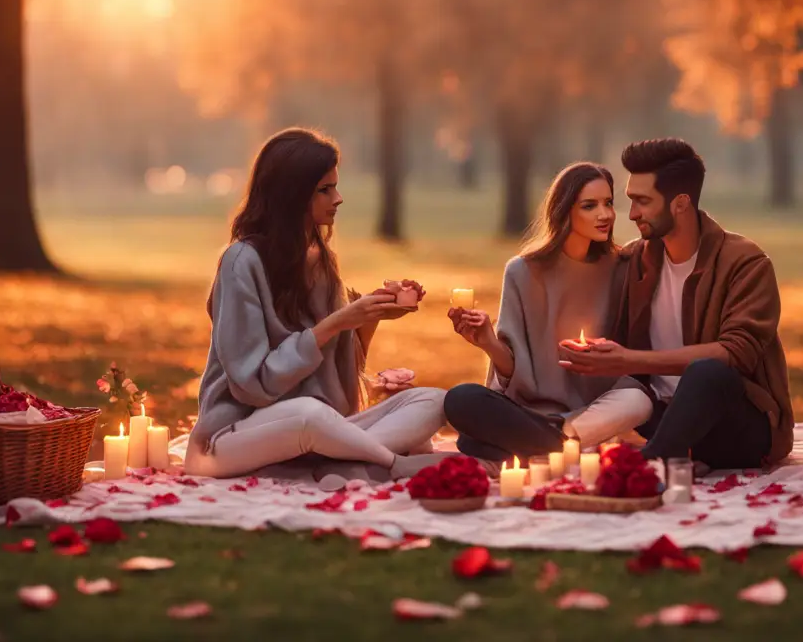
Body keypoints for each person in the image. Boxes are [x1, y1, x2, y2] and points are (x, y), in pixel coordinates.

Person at [185, 128, 448, 481]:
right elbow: (253, 385)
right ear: (292, 195)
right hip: (231, 439)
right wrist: (336, 323)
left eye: (335, 187)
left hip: (319, 430)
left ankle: (339, 463)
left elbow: (342, 374)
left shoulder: (322, 262)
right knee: (308, 414)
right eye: (325, 189)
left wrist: (371, 316)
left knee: (434, 401)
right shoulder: (241, 262)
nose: (338, 198)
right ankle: (391, 466)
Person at [558, 138, 794, 470]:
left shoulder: (745, 262)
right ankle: (549, 437)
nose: (632, 214)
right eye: (630, 200)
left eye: (642, 201)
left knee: (708, 373)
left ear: (680, 204)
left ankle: (649, 462)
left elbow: (738, 352)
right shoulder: (634, 260)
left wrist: (630, 359)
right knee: (628, 402)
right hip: (658, 417)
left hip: (735, 427)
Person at [443, 162, 654, 464]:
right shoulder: (522, 271)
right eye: (589, 206)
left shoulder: (622, 267)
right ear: (565, 210)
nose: (605, 214)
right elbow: (511, 374)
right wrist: (487, 341)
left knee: (638, 400)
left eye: (608, 203)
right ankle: (561, 446)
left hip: (595, 410)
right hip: (529, 412)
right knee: (462, 399)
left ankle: (545, 444)